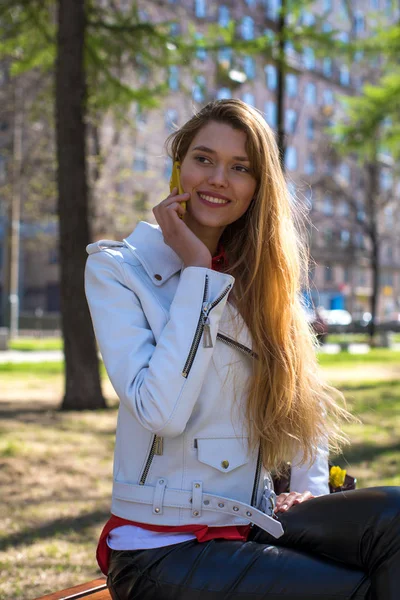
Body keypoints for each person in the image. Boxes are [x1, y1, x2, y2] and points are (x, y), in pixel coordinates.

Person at [85, 99, 399, 600]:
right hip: (162, 548)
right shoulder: (120, 271)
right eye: (203, 159)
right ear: (178, 166)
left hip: (257, 522)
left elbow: (299, 407)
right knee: (358, 590)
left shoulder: (266, 282)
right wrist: (199, 273)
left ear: (258, 188)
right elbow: (159, 410)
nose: (218, 179)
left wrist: (310, 494)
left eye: (240, 168)